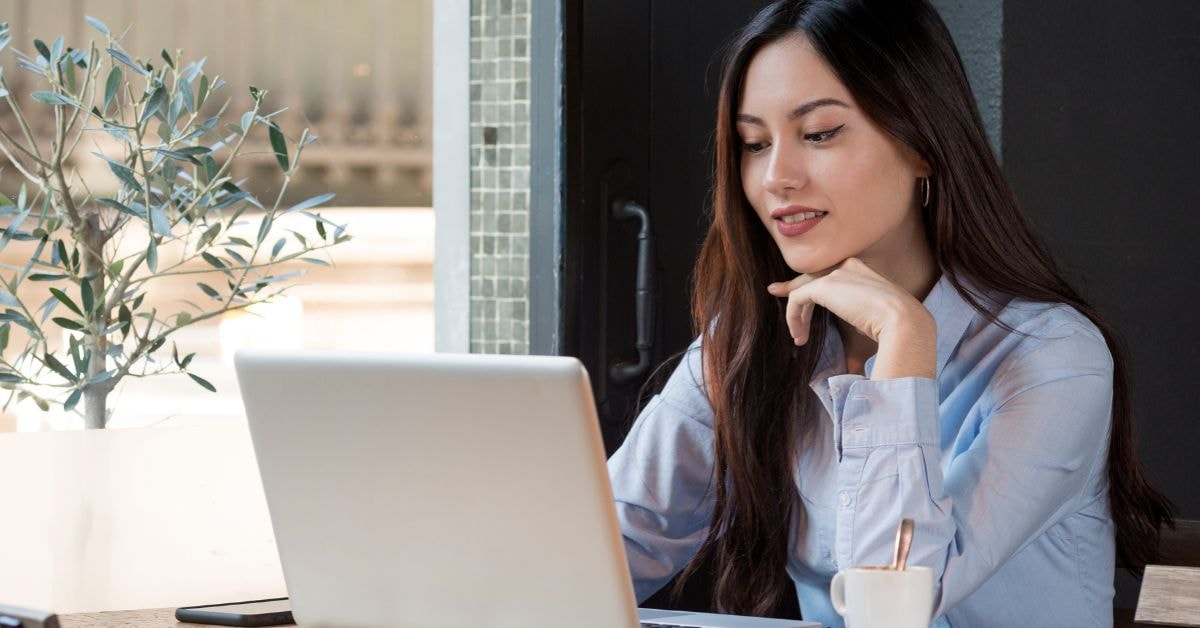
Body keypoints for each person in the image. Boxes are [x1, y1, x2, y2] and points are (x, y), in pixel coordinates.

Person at [605, 1, 1174, 626]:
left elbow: (892, 608)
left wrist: (904, 345)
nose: (776, 177)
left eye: (819, 133)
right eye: (753, 143)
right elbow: (607, 545)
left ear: (922, 144)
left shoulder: (1054, 359)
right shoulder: (745, 347)